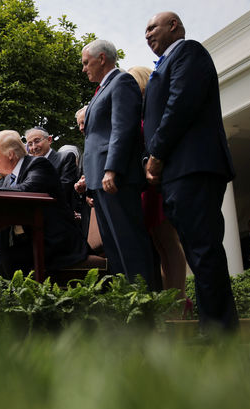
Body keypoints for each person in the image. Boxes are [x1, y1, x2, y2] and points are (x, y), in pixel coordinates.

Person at [143, 11, 238, 331]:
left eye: (152, 27)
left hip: (194, 167)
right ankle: (211, 325)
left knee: (204, 250)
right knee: (198, 254)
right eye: (144, 30)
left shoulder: (189, 52)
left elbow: (180, 104)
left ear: (175, 26)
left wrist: (156, 154)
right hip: (177, 175)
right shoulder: (163, 65)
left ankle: (219, 332)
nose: (147, 34)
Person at [81, 38, 154, 288]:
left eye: (86, 62)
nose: (83, 68)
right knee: (113, 247)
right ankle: (129, 302)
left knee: (129, 241)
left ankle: (147, 301)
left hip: (116, 177)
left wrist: (111, 168)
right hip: (98, 181)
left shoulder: (121, 82)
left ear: (102, 58)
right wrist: (88, 179)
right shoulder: (101, 90)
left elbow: (123, 129)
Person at [0, 130, 88, 275]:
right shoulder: (8, 179)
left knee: (4, 266)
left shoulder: (38, 164)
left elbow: (27, 190)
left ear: (10, 154)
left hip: (55, 242)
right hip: (27, 243)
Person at [129, 64, 189, 300]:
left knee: (169, 241)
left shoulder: (154, 110)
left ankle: (180, 298)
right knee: (159, 245)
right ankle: (170, 299)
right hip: (145, 188)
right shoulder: (137, 113)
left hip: (158, 184)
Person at [24, 127, 80, 205]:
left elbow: (64, 189)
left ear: (49, 140)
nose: (34, 147)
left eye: (37, 141)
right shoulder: (28, 165)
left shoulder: (66, 158)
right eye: (30, 144)